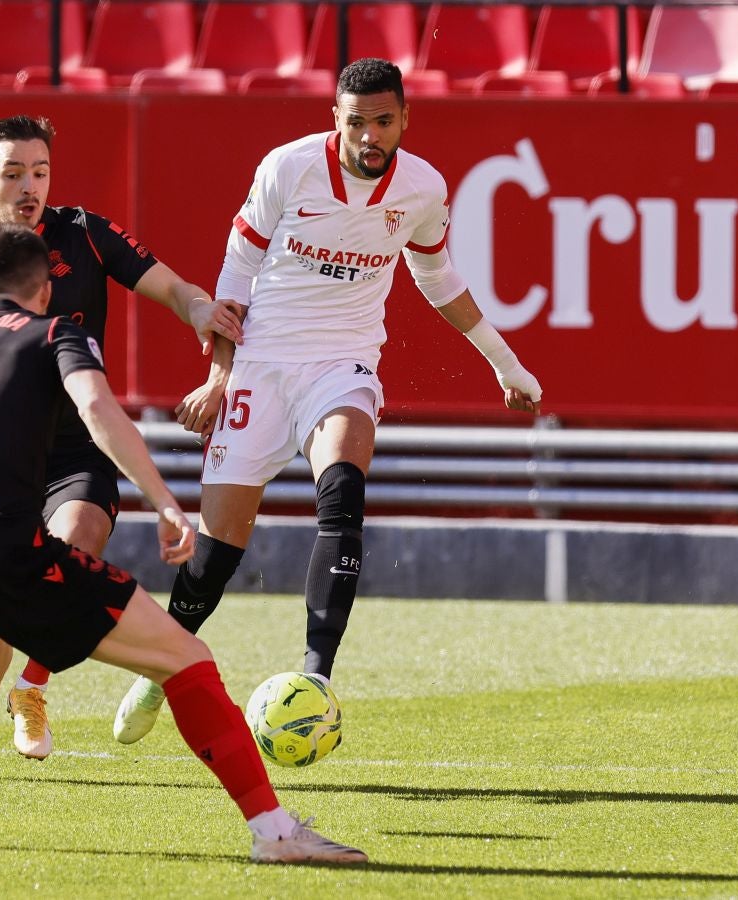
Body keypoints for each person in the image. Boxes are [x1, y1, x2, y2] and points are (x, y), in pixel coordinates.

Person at [0, 224, 366, 864]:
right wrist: (166, 502)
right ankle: (277, 835)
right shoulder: (55, 332)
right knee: (187, 659)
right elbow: (97, 410)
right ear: (44, 289)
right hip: (8, 549)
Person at [113, 58, 543, 743]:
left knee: (343, 490)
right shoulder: (287, 168)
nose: (370, 136)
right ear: (333, 121)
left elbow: (437, 278)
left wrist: (505, 362)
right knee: (219, 550)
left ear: (405, 118)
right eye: (356, 123)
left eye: (383, 121)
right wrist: (219, 379)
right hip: (260, 365)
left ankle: (316, 678)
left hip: (342, 366)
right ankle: (161, 667)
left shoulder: (424, 188)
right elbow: (235, 277)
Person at [0, 114, 244, 768]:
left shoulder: (85, 233)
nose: (30, 187)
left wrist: (200, 309)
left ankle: (31, 687)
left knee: (79, 534)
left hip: (76, 449)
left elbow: (169, 286)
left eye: (41, 171)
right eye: (14, 173)